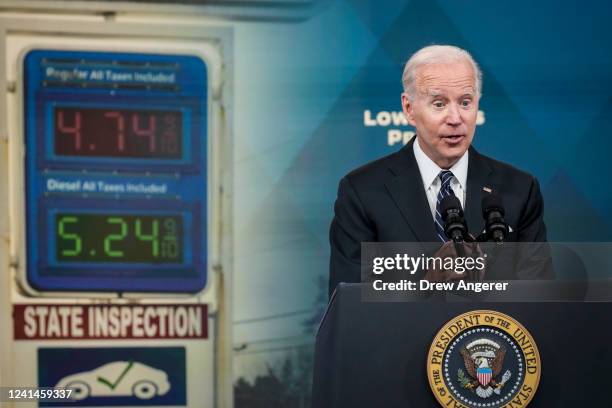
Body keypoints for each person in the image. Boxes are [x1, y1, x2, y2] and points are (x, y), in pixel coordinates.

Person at [329, 45, 551, 297]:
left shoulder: (519, 189)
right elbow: (349, 308)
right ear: (409, 108)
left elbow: (539, 302)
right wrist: (430, 281)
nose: (455, 118)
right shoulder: (362, 192)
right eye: (439, 103)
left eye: (465, 102)